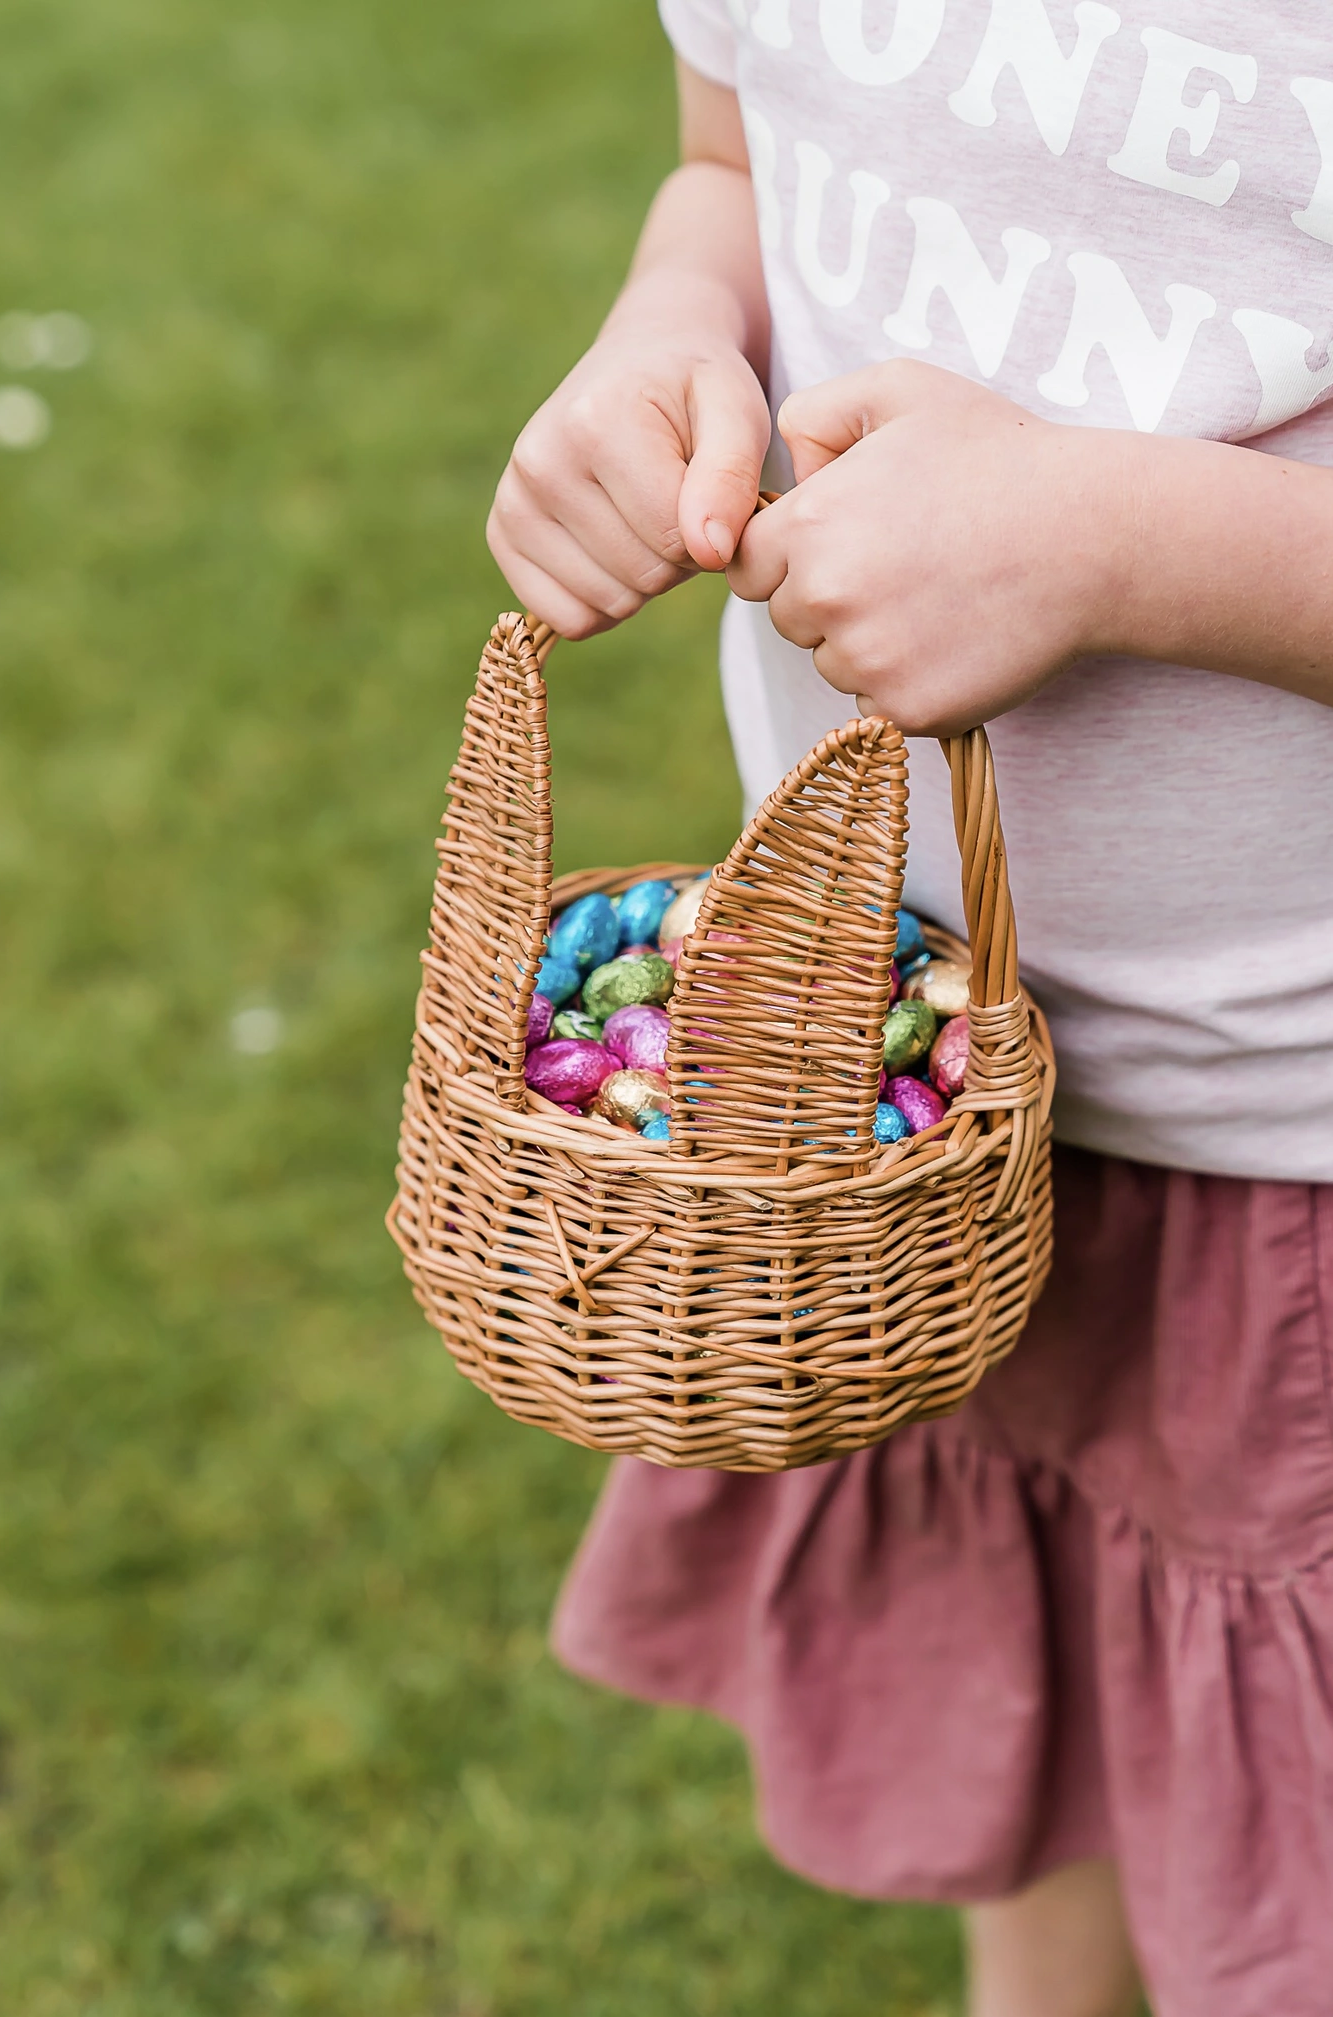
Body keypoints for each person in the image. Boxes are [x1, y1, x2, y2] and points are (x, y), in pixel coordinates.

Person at [486, 7, 1333, 2013]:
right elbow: (732, 178)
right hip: (937, 1103)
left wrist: (1131, 546)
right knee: (1071, 1727)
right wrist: (661, 335)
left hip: (1303, 1143)